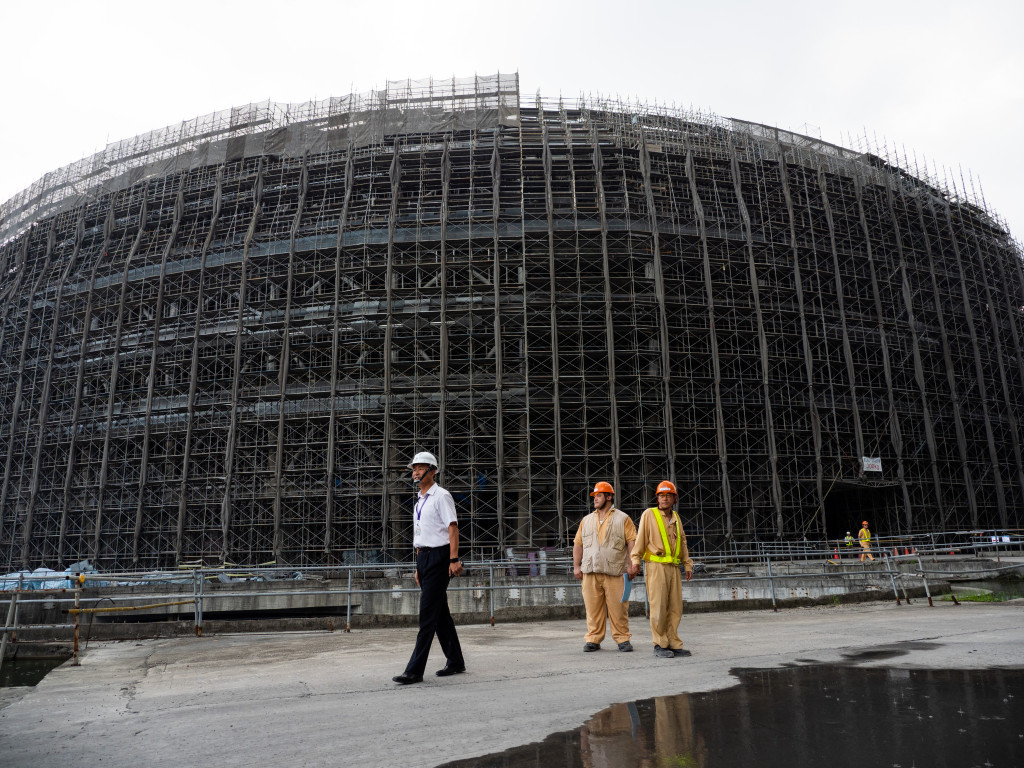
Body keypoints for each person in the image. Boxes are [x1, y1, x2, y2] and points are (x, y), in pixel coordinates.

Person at [392, 451, 466, 685]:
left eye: (420, 468)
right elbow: (421, 535)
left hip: (440, 557)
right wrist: (417, 566)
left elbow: (452, 528)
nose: (415, 472)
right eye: (414, 468)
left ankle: (414, 670)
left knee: (427, 616)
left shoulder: (441, 496)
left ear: (432, 471)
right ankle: (455, 661)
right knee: (440, 614)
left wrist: (454, 560)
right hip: (423, 558)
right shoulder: (420, 500)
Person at [572, 481, 639, 653]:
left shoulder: (623, 519)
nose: (595, 499)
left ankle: (622, 639)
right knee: (592, 609)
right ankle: (593, 639)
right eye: (594, 496)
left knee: (619, 608)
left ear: (609, 497)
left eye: (599, 495)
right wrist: (576, 566)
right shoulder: (586, 520)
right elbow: (578, 544)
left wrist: (632, 564)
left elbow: (632, 542)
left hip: (615, 571)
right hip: (590, 571)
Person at [630, 480, 693, 658]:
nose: (664, 499)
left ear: (674, 499)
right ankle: (660, 643)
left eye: (668, 496)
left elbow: (683, 542)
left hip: (673, 567)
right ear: (657, 498)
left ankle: (673, 642)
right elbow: (640, 538)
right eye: (661, 495)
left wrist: (687, 563)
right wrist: (635, 561)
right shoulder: (649, 515)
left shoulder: (677, 518)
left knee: (675, 607)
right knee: (658, 607)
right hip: (656, 566)